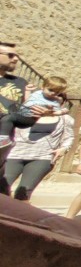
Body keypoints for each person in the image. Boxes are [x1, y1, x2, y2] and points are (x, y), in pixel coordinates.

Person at [2, 103, 76, 201]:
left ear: (62, 103)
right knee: (2, 187)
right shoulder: (25, 113)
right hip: (14, 154)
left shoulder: (65, 119)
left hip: (42, 157)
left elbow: (69, 137)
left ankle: (17, 215)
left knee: (23, 192)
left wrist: (64, 148)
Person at [0, 75, 69, 145]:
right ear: (43, 87)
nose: (53, 93)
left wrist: (60, 112)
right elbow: (28, 100)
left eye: (57, 92)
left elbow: (56, 112)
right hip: (21, 112)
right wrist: (27, 90)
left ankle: (4, 139)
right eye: (50, 90)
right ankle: (6, 136)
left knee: (9, 118)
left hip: (30, 118)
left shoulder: (54, 102)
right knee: (3, 116)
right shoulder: (38, 93)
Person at [0, 42, 30, 194]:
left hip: (3, 145)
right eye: (10, 55)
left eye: (17, 55)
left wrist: (31, 109)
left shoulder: (19, 83)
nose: (16, 59)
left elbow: (25, 121)